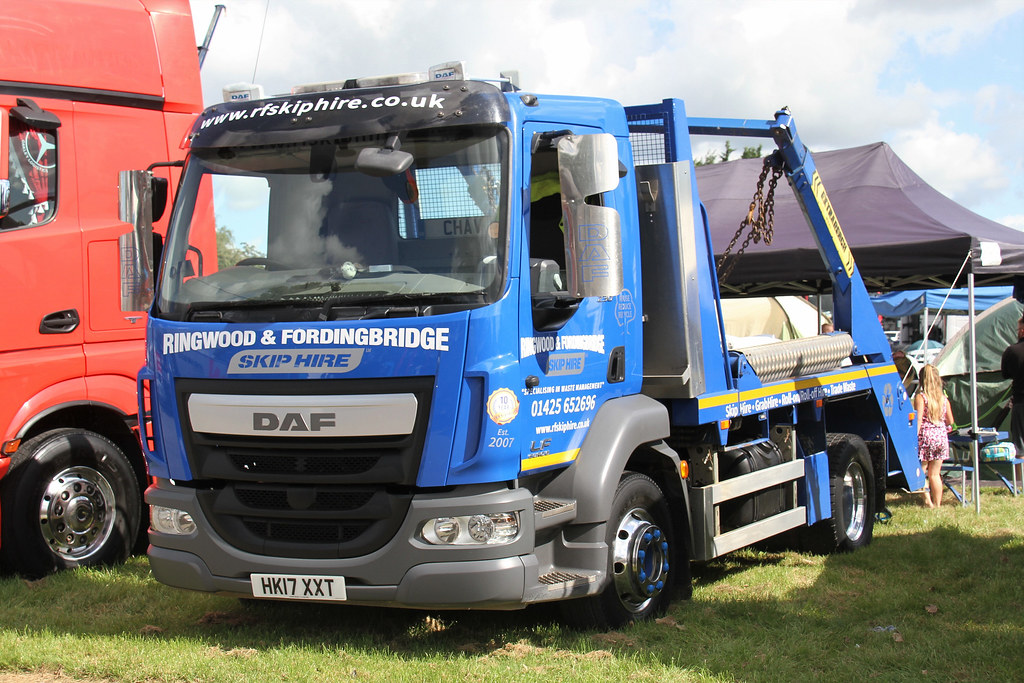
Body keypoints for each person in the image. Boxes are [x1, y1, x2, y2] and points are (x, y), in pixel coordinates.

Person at [914, 364, 954, 508]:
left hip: (926, 437)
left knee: (920, 472)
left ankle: (927, 501)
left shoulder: (921, 397)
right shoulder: (943, 399)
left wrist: (914, 437)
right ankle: (937, 504)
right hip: (941, 437)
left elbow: (918, 419)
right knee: (935, 474)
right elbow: (951, 421)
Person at [1000, 316, 1024, 453]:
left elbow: (1005, 374)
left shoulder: (1012, 351)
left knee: (1020, 448)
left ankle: (1021, 475)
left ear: (1022, 331)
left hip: (1020, 403)